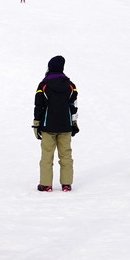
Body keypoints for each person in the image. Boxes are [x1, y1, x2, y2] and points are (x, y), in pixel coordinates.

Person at [33, 55, 77, 191]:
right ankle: (66, 184)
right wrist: (74, 122)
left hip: (48, 126)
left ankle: (46, 185)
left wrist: (36, 124)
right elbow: (73, 105)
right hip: (66, 125)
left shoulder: (44, 85)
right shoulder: (70, 86)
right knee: (66, 155)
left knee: (47, 155)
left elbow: (38, 106)